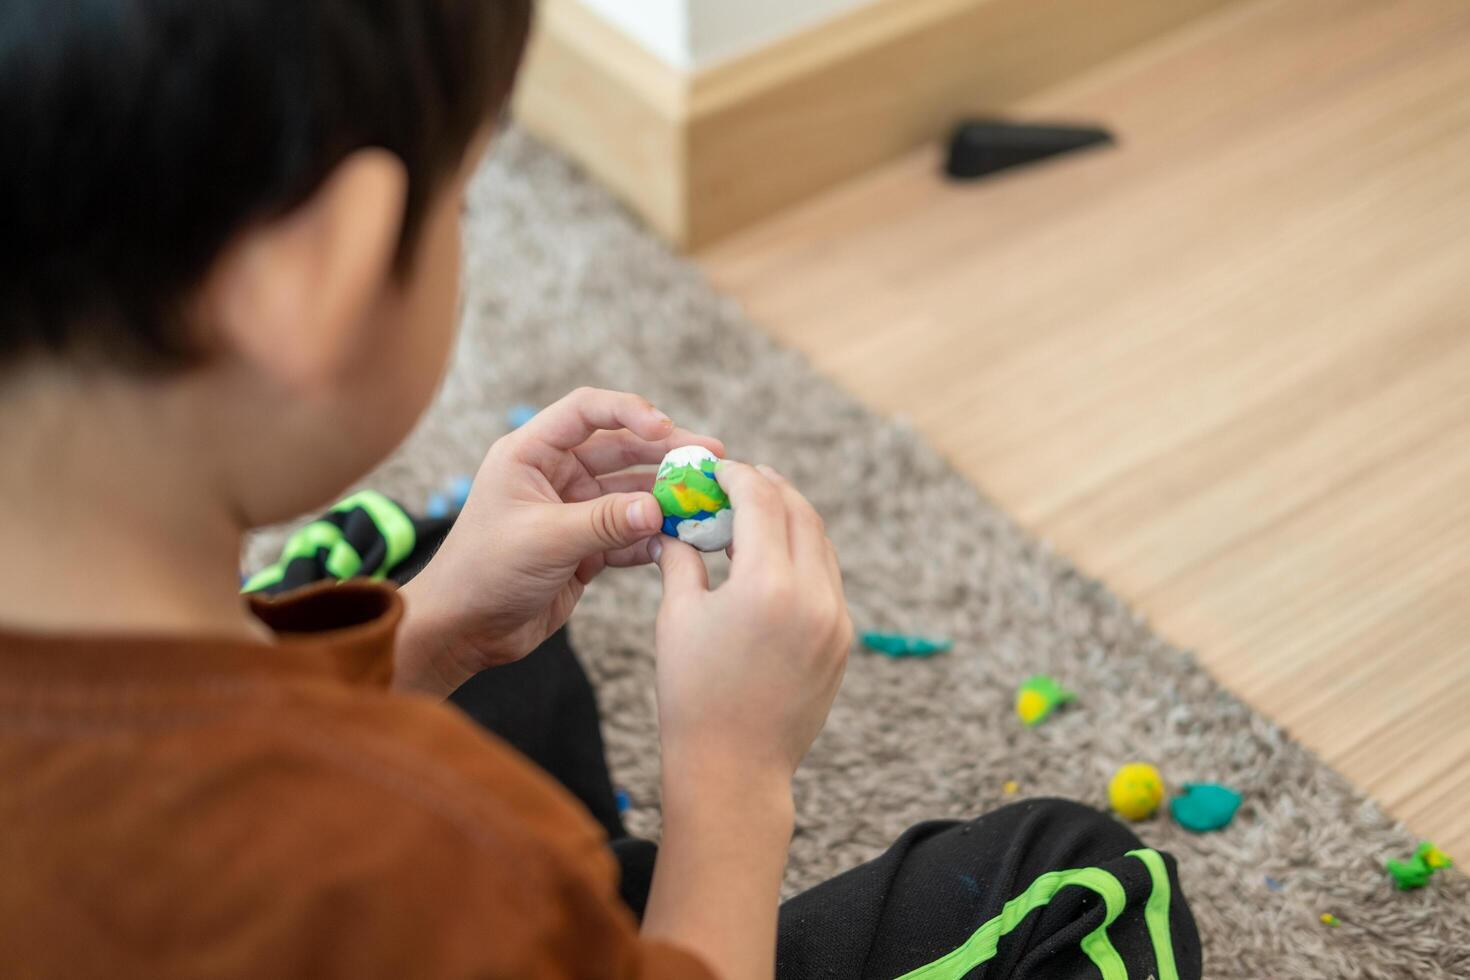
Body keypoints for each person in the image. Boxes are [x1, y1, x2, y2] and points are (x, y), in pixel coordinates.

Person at [0, 2, 1202, 977]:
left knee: (425, 569)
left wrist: (431, 627)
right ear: (318, 275)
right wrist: (732, 785)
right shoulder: (416, 848)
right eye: (462, 199)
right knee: (1079, 886)